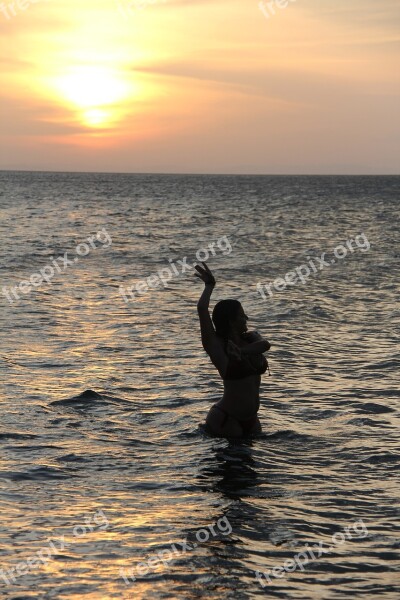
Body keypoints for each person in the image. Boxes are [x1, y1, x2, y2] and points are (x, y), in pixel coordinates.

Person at [194, 261, 271, 438]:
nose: (246, 317)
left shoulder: (251, 338)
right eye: (242, 315)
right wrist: (209, 286)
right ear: (231, 321)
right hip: (226, 419)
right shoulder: (217, 346)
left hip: (252, 419)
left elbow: (265, 345)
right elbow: (201, 309)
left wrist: (241, 352)